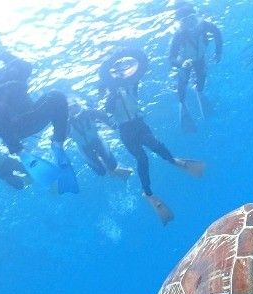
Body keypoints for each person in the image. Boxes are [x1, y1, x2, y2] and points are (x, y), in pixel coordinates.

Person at [99, 47, 205, 225]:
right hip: (125, 130)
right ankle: (147, 193)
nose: (118, 75)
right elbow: (107, 111)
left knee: (155, 144)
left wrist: (121, 59)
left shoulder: (131, 83)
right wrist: (112, 94)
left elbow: (141, 65)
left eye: (120, 71)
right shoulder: (108, 92)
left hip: (139, 124)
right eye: (115, 72)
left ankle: (172, 160)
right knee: (142, 159)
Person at [0, 42, 78, 194]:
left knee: (55, 96)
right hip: (13, 128)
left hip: (33, 116)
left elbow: (26, 66)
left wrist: (2, 52)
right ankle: (21, 153)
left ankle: (58, 142)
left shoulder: (12, 70)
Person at [168, 1, 223, 132]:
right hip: (186, 62)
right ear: (181, 23)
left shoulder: (204, 25)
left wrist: (218, 52)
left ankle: (198, 91)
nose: (190, 23)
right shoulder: (179, 35)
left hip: (200, 59)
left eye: (192, 18)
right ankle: (182, 103)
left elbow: (217, 33)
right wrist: (181, 64)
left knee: (201, 81)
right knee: (183, 83)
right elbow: (171, 58)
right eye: (186, 21)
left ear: (196, 17)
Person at [67, 96, 132, 180]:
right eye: (69, 109)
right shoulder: (66, 124)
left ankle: (110, 168)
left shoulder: (89, 113)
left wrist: (112, 125)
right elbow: (60, 137)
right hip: (84, 147)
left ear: (79, 105)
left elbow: (104, 117)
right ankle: (105, 166)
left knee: (113, 165)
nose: (73, 110)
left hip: (97, 141)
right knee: (100, 172)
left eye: (75, 106)